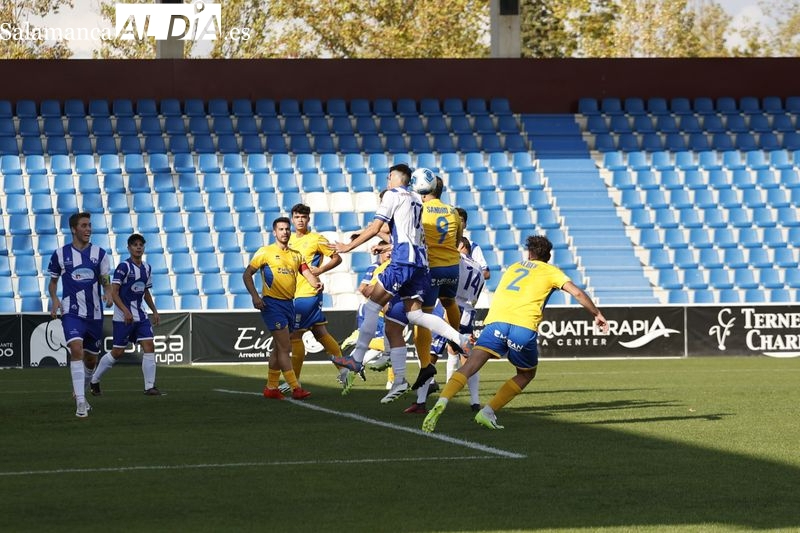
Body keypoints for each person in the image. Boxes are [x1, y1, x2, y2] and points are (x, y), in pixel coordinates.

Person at [422, 235, 609, 432]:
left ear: (529, 253)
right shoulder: (552, 271)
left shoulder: (514, 267)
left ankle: (442, 401)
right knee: (526, 373)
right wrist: (597, 314)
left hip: (496, 322)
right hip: (523, 325)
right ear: (549, 256)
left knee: (470, 365)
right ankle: (488, 412)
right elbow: (577, 293)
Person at [329, 163, 472, 398]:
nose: (387, 182)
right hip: (421, 265)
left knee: (372, 305)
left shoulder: (394, 194)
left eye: (388, 178)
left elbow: (376, 227)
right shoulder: (417, 199)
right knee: (411, 318)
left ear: (397, 178)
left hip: (402, 261)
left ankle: (356, 360)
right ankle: (452, 342)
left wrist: (348, 246)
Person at [242, 217, 322, 400]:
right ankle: (296, 387)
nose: (285, 232)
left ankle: (271, 387)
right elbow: (247, 275)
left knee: (279, 348)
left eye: (287, 229)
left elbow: (307, 272)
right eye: (281, 229)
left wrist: (316, 283)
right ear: (274, 232)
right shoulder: (265, 252)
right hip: (272, 304)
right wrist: (255, 296)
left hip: (289, 304)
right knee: (285, 346)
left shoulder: (296, 255)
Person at [406, 237, 486, 414]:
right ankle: (475, 402)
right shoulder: (479, 268)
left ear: (460, 246)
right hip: (468, 311)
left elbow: (448, 283)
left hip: (450, 307)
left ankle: (420, 402)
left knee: (431, 355)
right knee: (468, 357)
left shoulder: (455, 260)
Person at [47, 212, 113, 418]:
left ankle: (80, 392)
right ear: (74, 229)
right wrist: (55, 299)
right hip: (72, 312)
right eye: (84, 226)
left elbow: (105, 280)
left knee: (91, 360)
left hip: (94, 314)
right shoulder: (60, 254)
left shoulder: (100, 254)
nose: (88, 229)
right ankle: (81, 403)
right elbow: (53, 282)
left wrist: (109, 292)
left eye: (90, 226)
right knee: (76, 349)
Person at [89, 233, 161, 396]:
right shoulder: (124, 267)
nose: (138, 247)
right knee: (118, 352)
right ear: (129, 248)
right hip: (123, 317)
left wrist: (154, 311)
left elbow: (146, 292)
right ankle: (95, 379)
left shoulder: (147, 268)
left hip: (141, 315)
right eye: (135, 245)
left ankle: (149, 386)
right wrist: (126, 310)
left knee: (149, 345)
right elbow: (114, 292)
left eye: (141, 245)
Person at [281, 203, 343, 391]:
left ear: (308, 219)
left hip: (308, 292)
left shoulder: (317, 239)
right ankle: (344, 370)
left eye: (303, 217)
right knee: (320, 333)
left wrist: (320, 269)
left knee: (295, 335)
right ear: (292, 219)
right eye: (297, 217)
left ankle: (294, 381)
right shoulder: (287, 240)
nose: (300, 220)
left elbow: (337, 258)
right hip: (293, 293)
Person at [411, 175, 463, 391]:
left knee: (422, 316)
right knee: (450, 301)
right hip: (452, 266)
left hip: (432, 267)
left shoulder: (421, 210)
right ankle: (456, 338)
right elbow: (459, 239)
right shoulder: (453, 211)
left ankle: (425, 366)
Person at [455, 207, 490, 281]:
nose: (457, 223)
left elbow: (486, 273)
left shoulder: (473, 247)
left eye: (460, 220)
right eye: (455, 220)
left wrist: (465, 278)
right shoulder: (443, 244)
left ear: (465, 225)